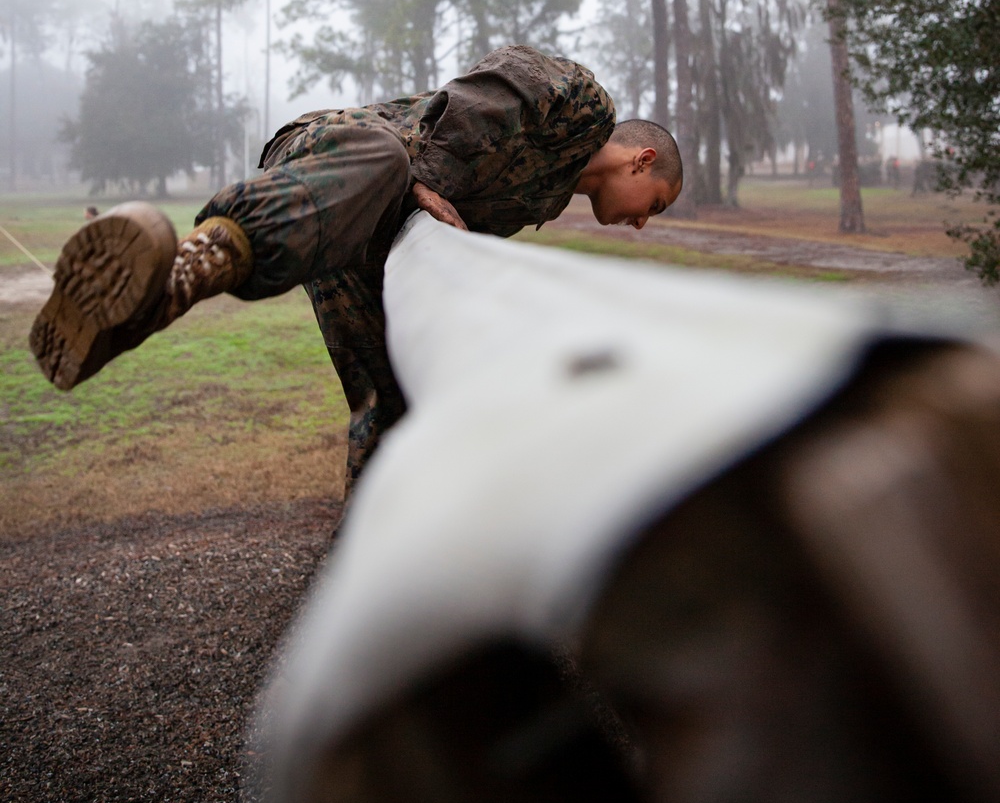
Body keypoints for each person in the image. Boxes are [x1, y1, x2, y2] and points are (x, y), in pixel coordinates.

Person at [31, 45, 683, 491]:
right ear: (642, 160)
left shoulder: (544, 199)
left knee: (393, 402)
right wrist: (427, 178)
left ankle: (115, 324)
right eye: (653, 205)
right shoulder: (586, 105)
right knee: (388, 163)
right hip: (339, 157)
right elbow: (495, 85)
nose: (642, 223)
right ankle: (181, 269)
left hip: (363, 241)